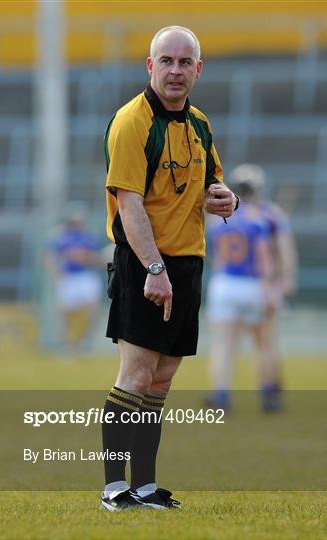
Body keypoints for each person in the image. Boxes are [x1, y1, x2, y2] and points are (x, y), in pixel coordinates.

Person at [101, 26, 238, 511]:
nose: (175, 70)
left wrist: (228, 198)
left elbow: (212, 182)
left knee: (161, 382)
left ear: (197, 70)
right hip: (145, 262)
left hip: (187, 264)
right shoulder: (132, 122)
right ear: (150, 65)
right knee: (135, 377)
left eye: (185, 62)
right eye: (167, 61)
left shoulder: (199, 123)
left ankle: (144, 485)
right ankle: (114, 488)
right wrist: (154, 268)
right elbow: (131, 204)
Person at [206, 164, 297, 412]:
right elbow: (275, 254)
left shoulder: (218, 215)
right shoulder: (266, 216)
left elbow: (216, 255)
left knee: (223, 344)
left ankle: (220, 396)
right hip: (255, 284)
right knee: (264, 342)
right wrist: (280, 282)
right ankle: (269, 394)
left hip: (223, 283)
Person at [44, 202, 103, 355]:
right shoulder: (59, 236)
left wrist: (83, 258)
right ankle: (65, 345)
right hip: (68, 277)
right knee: (66, 314)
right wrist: (55, 274)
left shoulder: (89, 236)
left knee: (93, 311)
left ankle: (84, 342)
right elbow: (49, 257)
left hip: (85, 276)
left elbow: (94, 258)